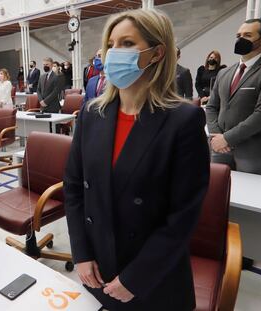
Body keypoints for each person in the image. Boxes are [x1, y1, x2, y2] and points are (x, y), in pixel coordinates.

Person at [64, 9, 210, 311]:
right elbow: (74, 188)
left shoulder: (183, 120)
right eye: (111, 44)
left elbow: (183, 217)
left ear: (157, 53)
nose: (115, 52)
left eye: (127, 43)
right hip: (99, 269)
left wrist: (136, 278)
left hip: (152, 277)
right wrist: (81, 253)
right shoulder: (92, 114)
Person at [206, 19, 261, 174]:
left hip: (251, 151)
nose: (240, 39)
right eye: (239, 35)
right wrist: (215, 135)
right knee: (218, 193)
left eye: (248, 35)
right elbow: (212, 106)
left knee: (247, 195)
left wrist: (227, 139)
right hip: (219, 146)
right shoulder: (224, 72)